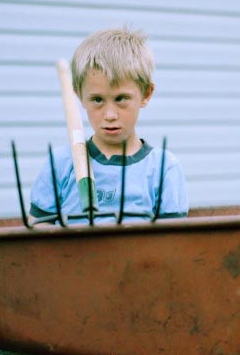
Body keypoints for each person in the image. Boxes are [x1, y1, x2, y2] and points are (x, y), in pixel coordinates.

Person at [30, 26, 188, 222]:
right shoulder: (62, 163)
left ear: (146, 94)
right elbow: (37, 232)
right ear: (80, 97)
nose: (110, 115)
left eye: (121, 98)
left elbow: (173, 242)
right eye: (97, 100)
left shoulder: (162, 168)